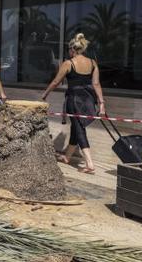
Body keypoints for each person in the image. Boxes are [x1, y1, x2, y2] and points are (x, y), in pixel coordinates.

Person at [41, 33, 105, 174]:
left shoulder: (68, 63)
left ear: (72, 49)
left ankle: (89, 163)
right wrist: (102, 104)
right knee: (77, 127)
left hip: (74, 99)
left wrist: (45, 94)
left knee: (79, 128)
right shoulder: (93, 63)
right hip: (88, 99)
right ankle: (68, 156)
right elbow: (96, 83)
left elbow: (56, 82)